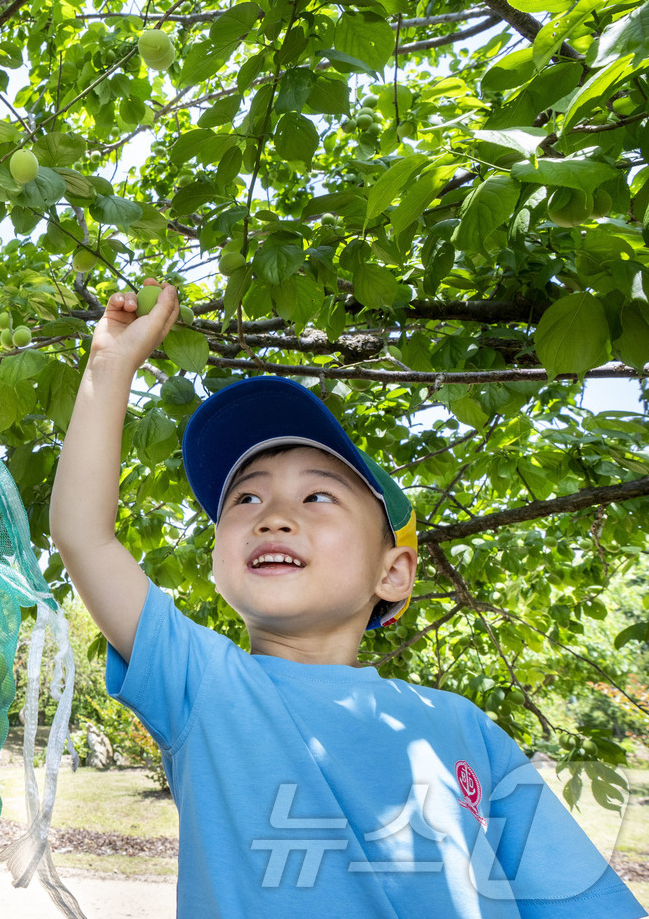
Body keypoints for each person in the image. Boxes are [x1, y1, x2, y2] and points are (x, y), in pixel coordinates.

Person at [49, 281, 645, 918]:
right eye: (245, 498)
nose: (272, 516)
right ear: (218, 563)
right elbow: (83, 535)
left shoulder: (462, 726)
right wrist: (110, 367)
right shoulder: (204, 684)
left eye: (317, 497)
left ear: (392, 573)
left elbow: (575, 900)